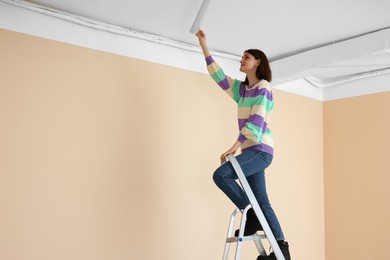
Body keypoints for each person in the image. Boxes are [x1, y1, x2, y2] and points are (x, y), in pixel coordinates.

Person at [195, 30, 291, 260]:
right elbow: (218, 77)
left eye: (246, 57)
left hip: (260, 151)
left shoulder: (263, 88)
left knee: (221, 175)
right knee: (262, 201)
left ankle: (251, 217)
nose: (241, 60)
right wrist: (204, 46)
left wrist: (234, 146)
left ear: (258, 62)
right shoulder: (242, 90)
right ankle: (282, 249)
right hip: (252, 151)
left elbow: (256, 123)